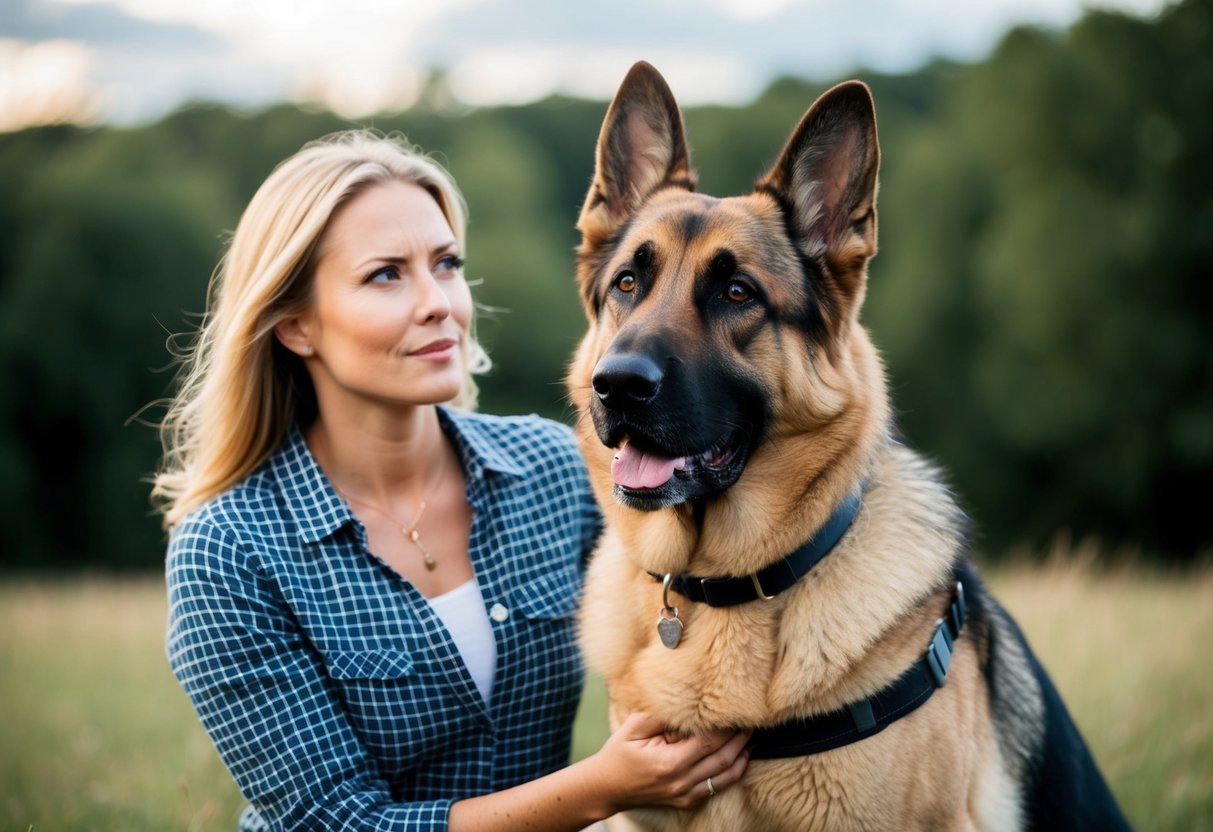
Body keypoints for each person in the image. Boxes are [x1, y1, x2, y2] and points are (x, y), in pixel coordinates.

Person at [153, 130, 750, 831]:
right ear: (296, 326)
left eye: (446, 264)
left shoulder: (553, 469)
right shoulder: (228, 548)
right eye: (386, 274)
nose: (438, 302)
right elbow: (336, 821)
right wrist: (602, 788)